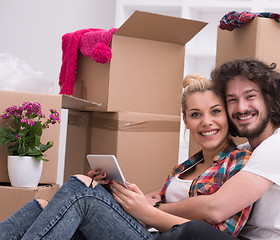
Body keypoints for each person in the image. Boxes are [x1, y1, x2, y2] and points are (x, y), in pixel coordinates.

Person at [0, 74, 252, 239]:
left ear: (228, 115)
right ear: (186, 121)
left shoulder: (240, 162)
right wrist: (118, 193)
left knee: (80, 190)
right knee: (47, 206)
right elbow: (149, 208)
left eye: (215, 112)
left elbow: (219, 234)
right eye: (196, 114)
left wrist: (146, 211)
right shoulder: (185, 168)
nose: (206, 122)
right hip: (144, 231)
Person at [155, 59, 280, 240]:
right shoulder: (245, 152)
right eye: (232, 100)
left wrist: (154, 209)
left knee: (194, 231)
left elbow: (215, 209)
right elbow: (187, 187)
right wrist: (144, 199)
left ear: (270, 100)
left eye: (250, 96)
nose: (242, 108)